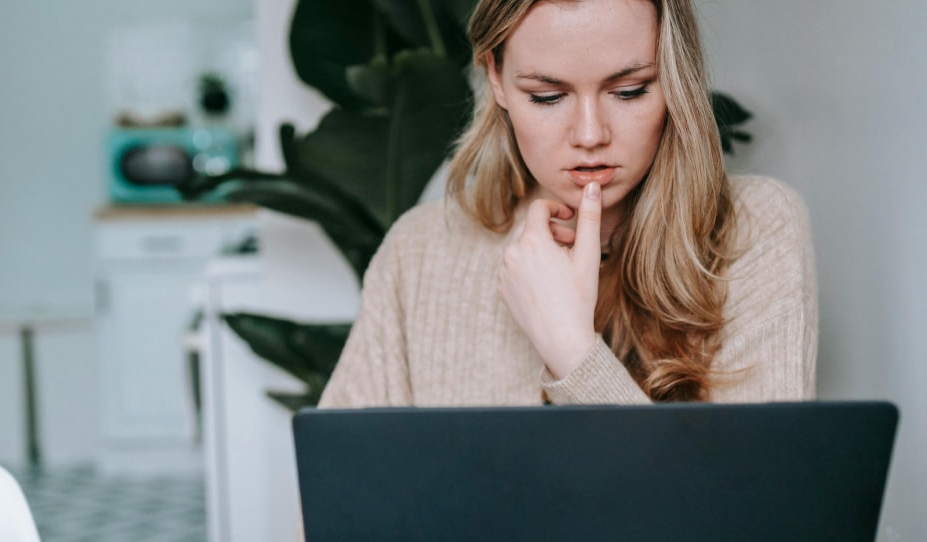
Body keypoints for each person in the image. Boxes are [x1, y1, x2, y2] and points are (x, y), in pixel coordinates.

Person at [318, 0, 817, 408]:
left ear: (675, 79)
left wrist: (572, 351)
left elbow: (754, 515)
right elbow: (332, 507)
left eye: (629, 91)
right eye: (546, 96)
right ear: (496, 78)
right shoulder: (419, 251)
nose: (590, 135)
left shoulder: (755, 230)